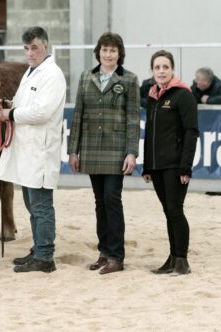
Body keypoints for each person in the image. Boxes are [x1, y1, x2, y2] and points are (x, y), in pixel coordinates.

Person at [0, 26, 66, 273]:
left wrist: (11, 113)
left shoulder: (52, 74)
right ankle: (38, 249)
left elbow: (42, 112)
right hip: (26, 151)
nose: (30, 52)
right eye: (26, 48)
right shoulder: (31, 73)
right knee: (31, 203)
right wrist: (11, 104)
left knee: (41, 205)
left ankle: (45, 256)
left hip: (41, 150)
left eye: (34, 47)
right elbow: (28, 104)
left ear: (45, 46)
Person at [68, 32, 140, 275]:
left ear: (119, 54)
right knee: (100, 202)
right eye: (105, 50)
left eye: (113, 51)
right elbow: (78, 115)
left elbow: (132, 119)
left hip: (116, 150)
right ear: (98, 52)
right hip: (91, 148)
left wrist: (132, 152)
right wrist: (73, 150)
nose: (108, 54)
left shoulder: (129, 79)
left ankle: (117, 256)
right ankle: (104, 252)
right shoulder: (86, 77)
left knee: (112, 199)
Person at [143, 50, 198, 275]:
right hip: (156, 166)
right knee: (168, 211)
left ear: (172, 69)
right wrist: (147, 165)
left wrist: (185, 167)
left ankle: (182, 261)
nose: (161, 71)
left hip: (175, 165)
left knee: (175, 210)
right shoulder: (153, 96)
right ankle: (173, 257)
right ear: (152, 71)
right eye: (157, 67)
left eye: (165, 67)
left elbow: (191, 132)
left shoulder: (183, 95)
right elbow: (150, 133)